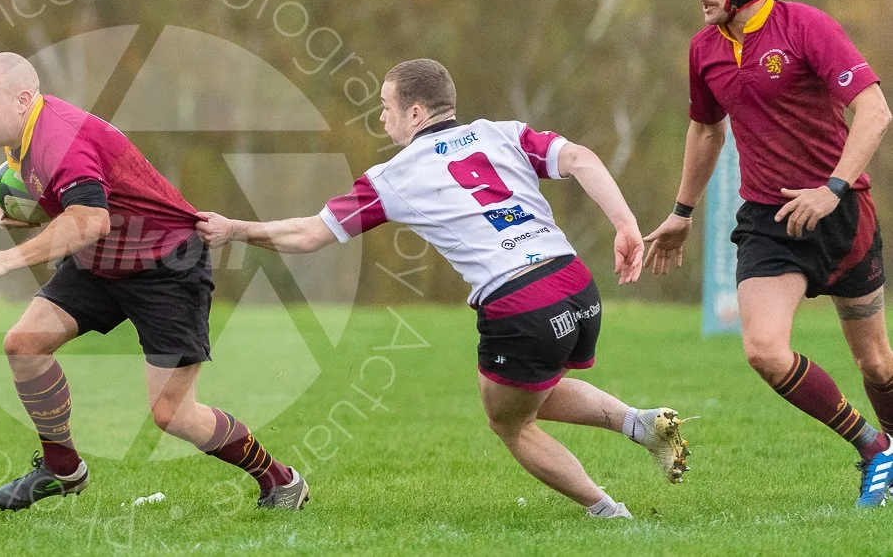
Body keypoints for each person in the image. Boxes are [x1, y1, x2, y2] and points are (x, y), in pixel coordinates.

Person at [196, 59, 690, 519]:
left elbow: (309, 235)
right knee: (531, 389)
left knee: (510, 422)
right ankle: (639, 424)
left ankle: (609, 514)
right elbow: (580, 158)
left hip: (519, 301)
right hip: (575, 284)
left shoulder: (392, 176)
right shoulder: (503, 133)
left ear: (415, 112)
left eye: (386, 107)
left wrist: (234, 229)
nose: (382, 117)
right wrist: (625, 224)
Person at [0, 52, 307, 511]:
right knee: (24, 344)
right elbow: (89, 205)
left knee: (173, 415)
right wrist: (35, 213)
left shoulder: (59, 136)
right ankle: (62, 468)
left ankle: (281, 481)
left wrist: (6, 260)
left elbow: (91, 218)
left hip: (166, 266)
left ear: (22, 99)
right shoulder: (24, 136)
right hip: (101, 261)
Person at [642, 0, 893, 507]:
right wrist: (682, 211)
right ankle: (874, 447)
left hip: (842, 217)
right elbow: (707, 130)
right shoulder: (704, 49)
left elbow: (874, 111)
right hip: (767, 220)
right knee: (763, 350)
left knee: (876, 362)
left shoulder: (806, 26)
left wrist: (832, 189)